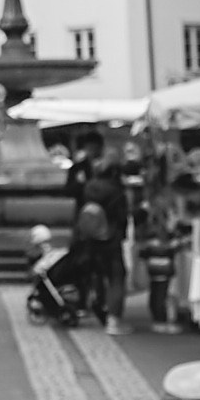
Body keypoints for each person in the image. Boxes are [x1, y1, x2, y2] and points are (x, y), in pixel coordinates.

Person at [64, 132, 131, 336]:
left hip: (91, 237)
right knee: (116, 276)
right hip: (111, 237)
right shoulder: (116, 190)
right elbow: (122, 215)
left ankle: (94, 304)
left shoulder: (90, 187)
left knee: (95, 274)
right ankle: (113, 319)